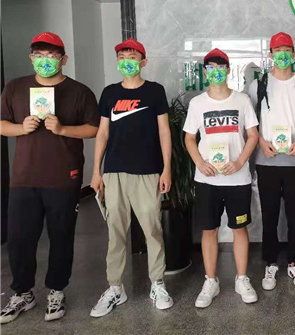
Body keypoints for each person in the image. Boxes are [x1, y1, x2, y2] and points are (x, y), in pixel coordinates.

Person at [0, 32, 99, 324]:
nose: (46, 61)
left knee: (61, 236)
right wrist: (21, 128)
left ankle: (56, 290)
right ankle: (22, 293)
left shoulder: (79, 92)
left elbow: (94, 128)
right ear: (31, 58)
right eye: (40, 55)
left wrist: (63, 129)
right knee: (20, 238)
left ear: (63, 59)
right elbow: (2, 124)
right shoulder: (15, 88)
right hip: (24, 178)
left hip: (63, 177)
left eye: (52, 55)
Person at [90, 38, 173, 317]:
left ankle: (157, 283)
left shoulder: (154, 91)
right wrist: (96, 171)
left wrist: (167, 168)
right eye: (122, 56)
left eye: (132, 56)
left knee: (152, 229)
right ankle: (115, 288)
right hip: (114, 172)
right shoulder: (110, 93)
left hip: (148, 171)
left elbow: (164, 131)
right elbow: (102, 133)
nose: (127, 60)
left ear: (143, 62)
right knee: (115, 232)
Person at [184, 48, 260, 308]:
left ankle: (242, 278)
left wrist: (240, 162)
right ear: (205, 73)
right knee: (209, 229)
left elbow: (253, 135)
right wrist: (200, 162)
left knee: (239, 228)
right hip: (207, 179)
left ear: (228, 70)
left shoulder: (242, 100)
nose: (216, 72)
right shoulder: (198, 103)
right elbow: (189, 138)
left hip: (237, 179)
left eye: (220, 67)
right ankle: (210, 281)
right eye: (211, 68)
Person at [247, 32, 295, 291]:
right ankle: (271, 263)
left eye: (287, 50)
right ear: (271, 54)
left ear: (294, 54)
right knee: (270, 216)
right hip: (267, 161)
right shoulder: (259, 85)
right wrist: (261, 142)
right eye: (278, 50)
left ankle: (294, 262)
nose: (283, 55)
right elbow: (249, 120)